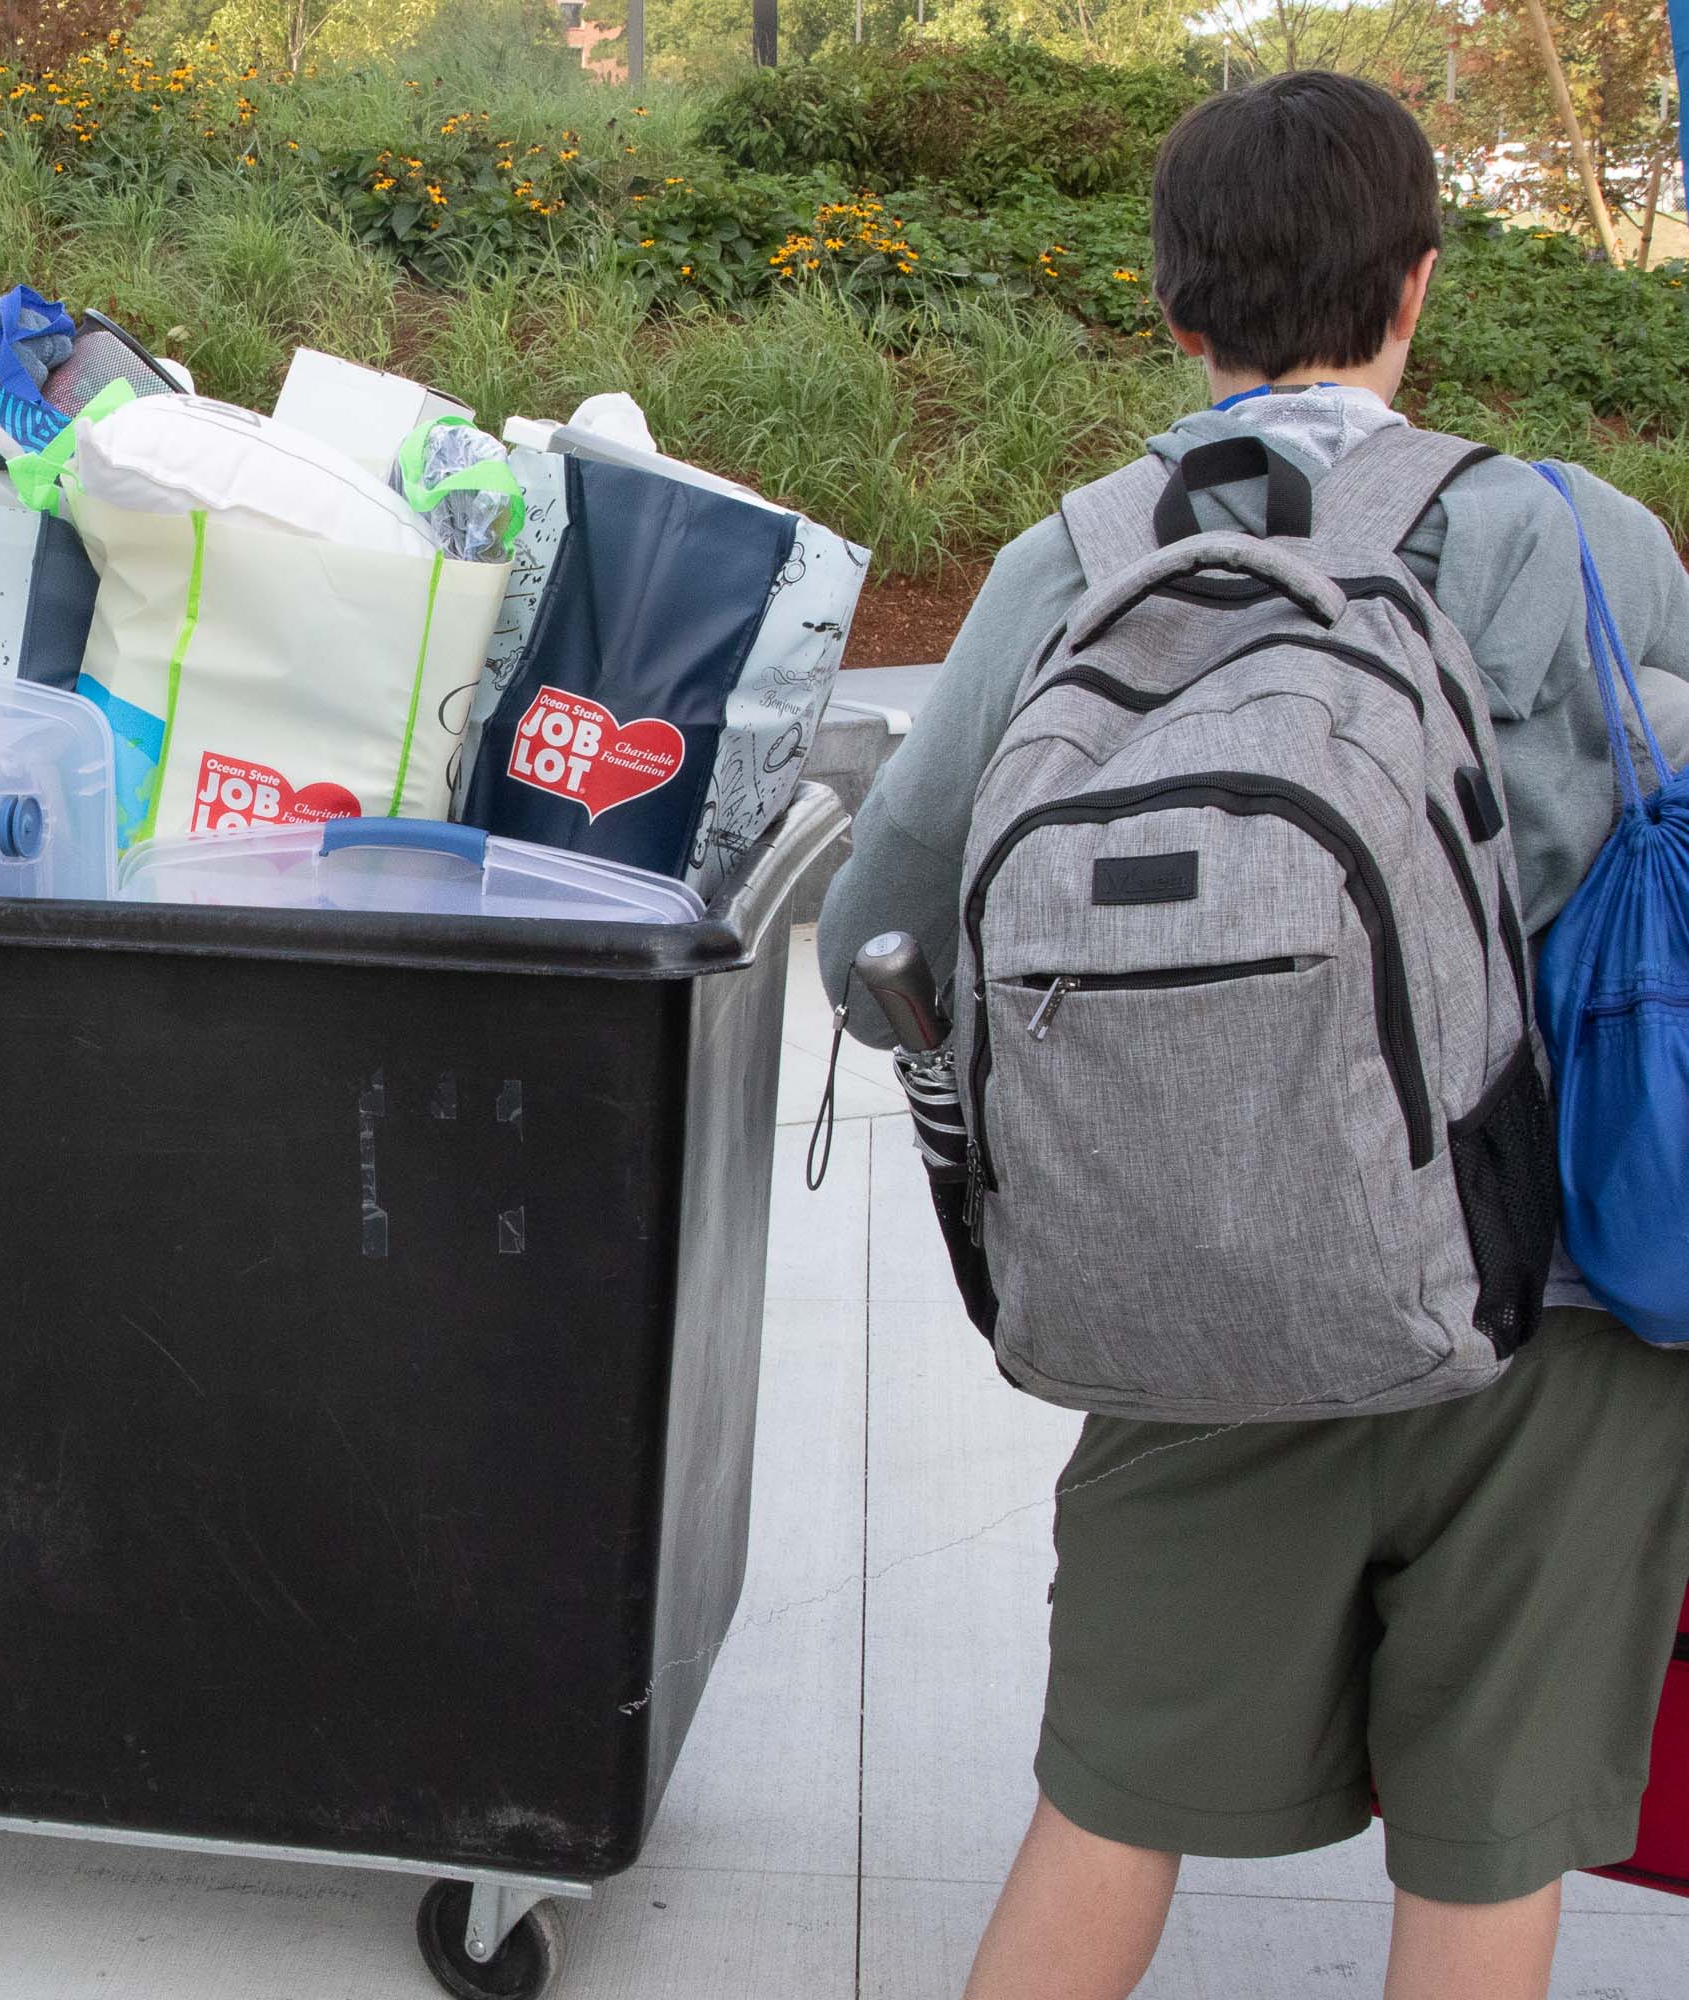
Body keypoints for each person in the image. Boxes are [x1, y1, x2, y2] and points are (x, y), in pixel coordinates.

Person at [817, 71, 1689, 2000]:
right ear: (1420, 290)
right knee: (1481, 1852)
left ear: (1169, 306)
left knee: (1112, 1801)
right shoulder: (1587, 538)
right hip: (1549, 1320)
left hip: (1201, 1305)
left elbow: (870, 940)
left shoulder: (1081, 559)